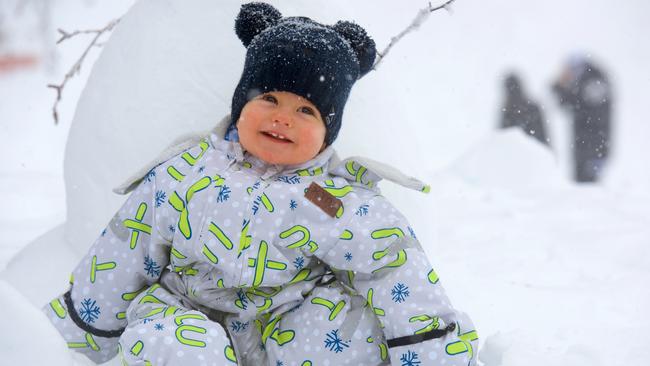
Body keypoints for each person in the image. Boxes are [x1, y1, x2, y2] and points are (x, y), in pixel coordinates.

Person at [42, 3, 478, 365]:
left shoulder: (330, 198)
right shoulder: (187, 171)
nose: (282, 117)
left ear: (328, 131)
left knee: (352, 332)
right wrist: (75, 334)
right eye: (268, 98)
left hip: (284, 321)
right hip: (188, 308)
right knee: (167, 343)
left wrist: (430, 346)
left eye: (306, 111)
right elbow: (127, 245)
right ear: (241, 103)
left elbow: (392, 264)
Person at [552, 56, 612, 182]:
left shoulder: (593, 81)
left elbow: (581, 107)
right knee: (586, 189)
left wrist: (561, 88)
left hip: (592, 146)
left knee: (587, 188)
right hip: (590, 145)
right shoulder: (589, 81)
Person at [499, 72, 550, 146]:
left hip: (517, 152)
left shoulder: (508, 111)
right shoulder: (532, 108)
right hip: (533, 151)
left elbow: (502, 136)